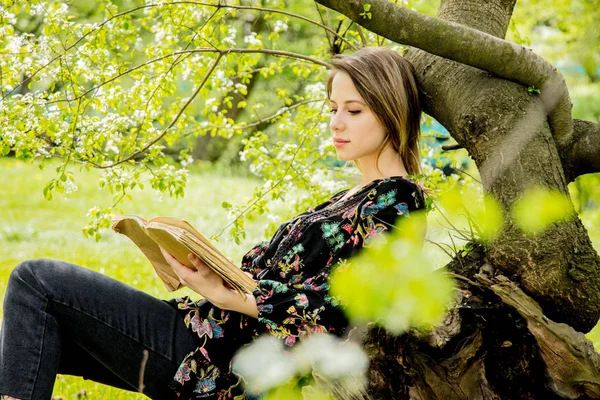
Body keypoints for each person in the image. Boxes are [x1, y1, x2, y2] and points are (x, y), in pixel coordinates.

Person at [0, 46, 426, 400]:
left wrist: (231, 297)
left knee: (36, 280)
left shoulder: (399, 199)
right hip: (206, 327)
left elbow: (342, 309)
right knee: (21, 343)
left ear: (391, 110)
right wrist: (202, 272)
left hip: (221, 358)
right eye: (333, 108)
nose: (336, 122)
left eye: (353, 110)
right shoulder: (348, 196)